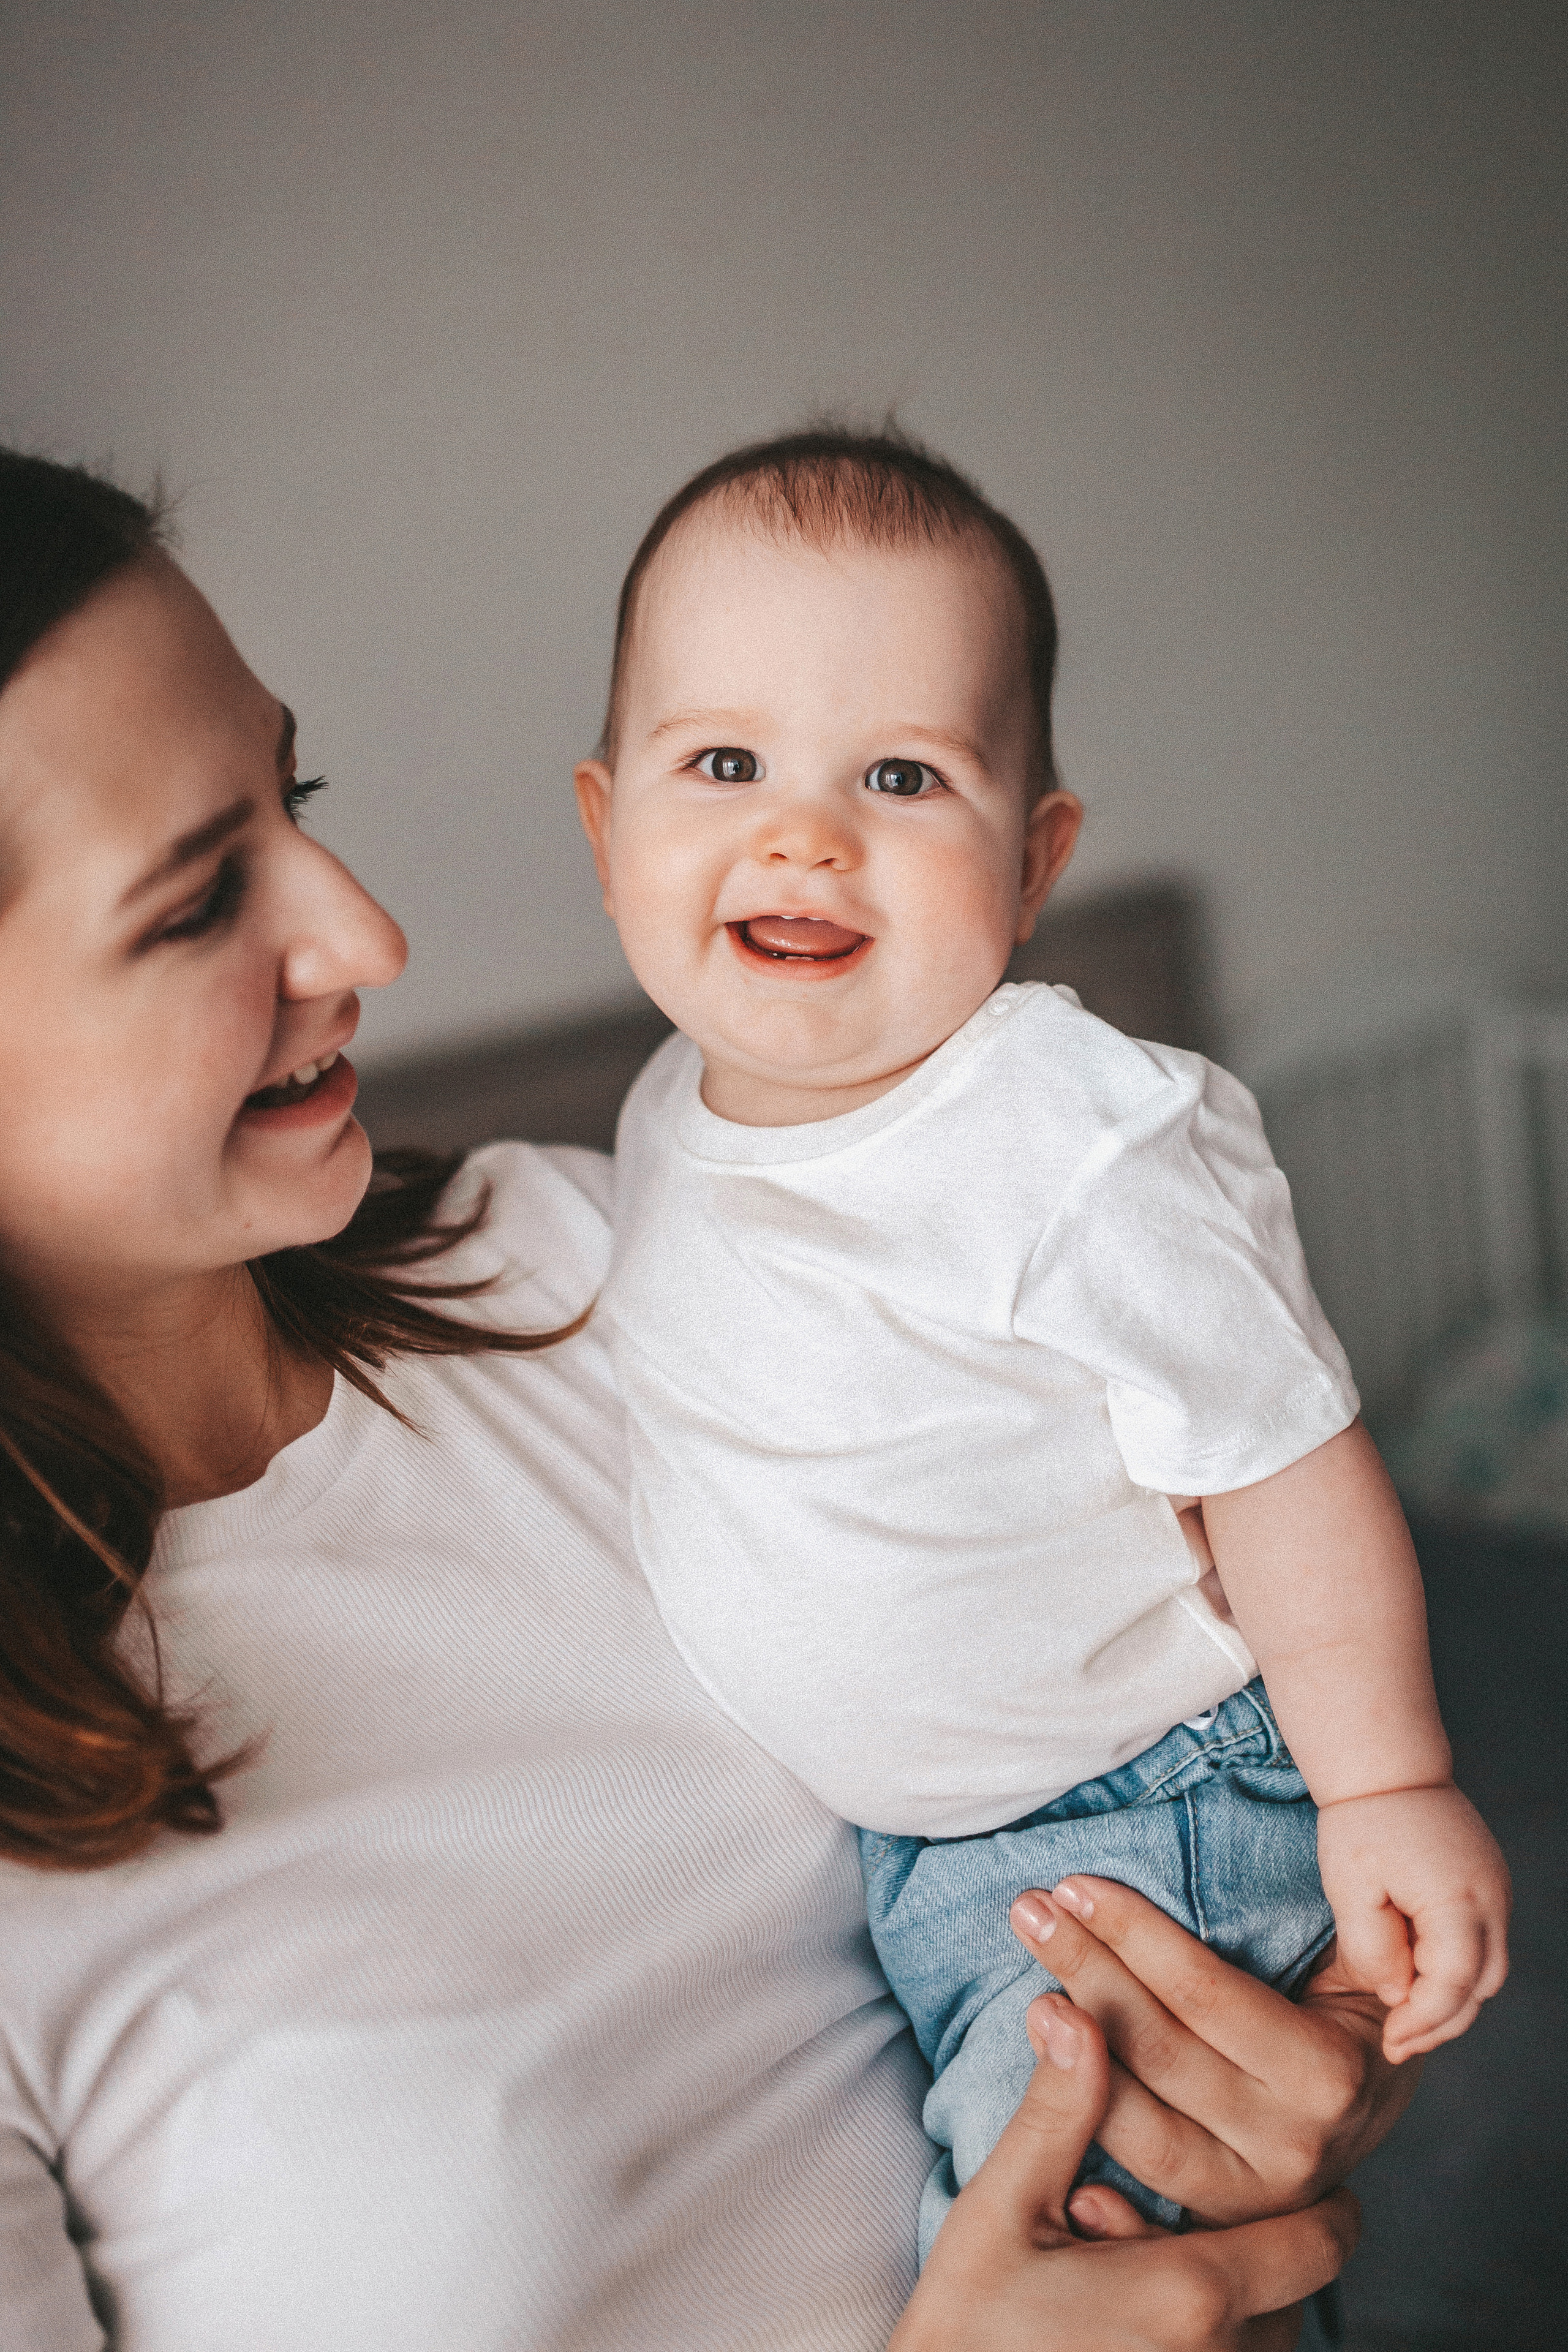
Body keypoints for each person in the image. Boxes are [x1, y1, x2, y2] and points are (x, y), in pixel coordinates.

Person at [0, 447, 1396, 2351]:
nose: (366, 938)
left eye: (293, 798)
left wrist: (1288, 2056)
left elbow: (1213, 1707)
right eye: (191, 903)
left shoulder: (611, 1264)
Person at [574, 427, 1510, 2256]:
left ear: (1035, 854)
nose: (802, 831)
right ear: (611, 829)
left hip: (1132, 1815)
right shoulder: (663, 1115)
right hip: (915, 1864)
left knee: (1068, 2248)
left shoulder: (1068, 1134)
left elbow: (1284, 1458)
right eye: (725, 762)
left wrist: (1385, 1782)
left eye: (903, 774)